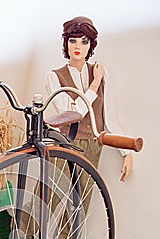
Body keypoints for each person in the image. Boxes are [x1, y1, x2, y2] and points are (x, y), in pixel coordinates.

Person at [46, 16, 133, 187]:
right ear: (66, 43)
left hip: (93, 146)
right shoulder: (54, 77)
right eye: (73, 41)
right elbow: (71, 114)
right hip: (65, 143)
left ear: (91, 45)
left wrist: (127, 152)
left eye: (84, 42)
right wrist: (94, 85)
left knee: (80, 205)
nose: (78, 46)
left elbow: (110, 118)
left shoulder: (101, 73)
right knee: (49, 198)